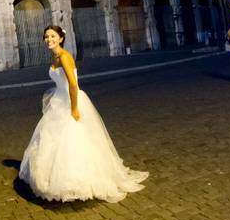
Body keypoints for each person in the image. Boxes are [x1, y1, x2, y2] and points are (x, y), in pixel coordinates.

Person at [19, 25, 148, 203]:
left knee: (73, 141)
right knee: (53, 141)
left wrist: (74, 108)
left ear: (61, 38)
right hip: (59, 100)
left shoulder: (64, 56)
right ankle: (55, 177)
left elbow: (73, 84)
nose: (49, 39)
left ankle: (78, 181)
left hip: (71, 101)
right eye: (46, 37)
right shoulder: (55, 55)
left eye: (53, 36)